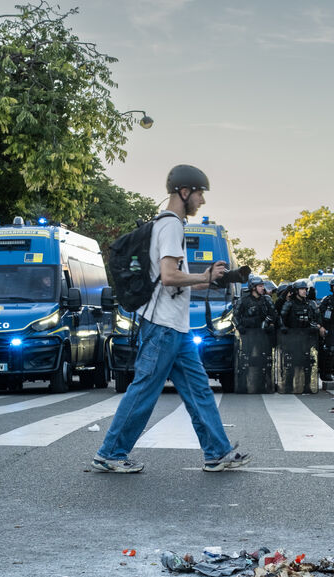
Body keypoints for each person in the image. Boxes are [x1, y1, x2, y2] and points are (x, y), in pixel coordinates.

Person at [92, 164, 251, 473]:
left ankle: (217, 453)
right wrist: (202, 276)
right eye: (200, 193)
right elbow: (168, 276)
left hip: (176, 328)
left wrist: (209, 279)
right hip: (163, 327)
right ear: (184, 192)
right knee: (144, 391)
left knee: (199, 390)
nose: (202, 200)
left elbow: (175, 281)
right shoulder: (171, 226)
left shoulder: (170, 225)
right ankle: (110, 453)